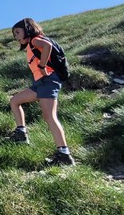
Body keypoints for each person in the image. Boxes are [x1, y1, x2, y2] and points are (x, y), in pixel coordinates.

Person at [9, 18, 75, 166]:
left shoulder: (35, 40)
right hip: (39, 84)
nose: (16, 36)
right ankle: (21, 133)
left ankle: (64, 155)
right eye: (14, 34)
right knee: (15, 101)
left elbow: (47, 46)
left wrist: (43, 65)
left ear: (27, 29)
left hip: (48, 81)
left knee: (49, 117)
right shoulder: (31, 46)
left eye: (18, 32)